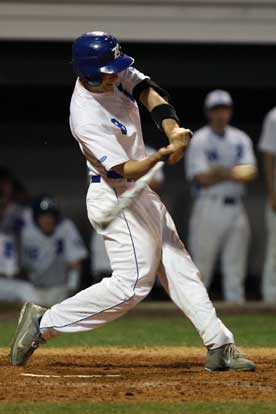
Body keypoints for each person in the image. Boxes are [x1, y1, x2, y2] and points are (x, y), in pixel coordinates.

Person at [10, 32, 255, 372]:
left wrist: (172, 130)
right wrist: (161, 157)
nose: (116, 74)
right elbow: (124, 168)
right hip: (114, 192)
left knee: (178, 264)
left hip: (137, 191)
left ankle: (219, 344)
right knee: (132, 285)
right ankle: (43, 323)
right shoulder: (84, 114)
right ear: (88, 73)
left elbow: (149, 93)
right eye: (109, 71)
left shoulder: (112, 72)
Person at [185, 90, 257, 303]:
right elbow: (201, 178)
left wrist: (218, 171)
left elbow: (250, 173)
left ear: (230, 111)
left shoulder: (240, 138)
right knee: (202, 266)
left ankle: (238, 319)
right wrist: (233, 172)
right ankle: (195, 312)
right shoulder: (200, 139)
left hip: (236, 207)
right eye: (216, 109)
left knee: (236, 267)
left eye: (224, 109)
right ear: (209, 113)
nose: (221, 114)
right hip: (209, 206)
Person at [90, 145, 164, 283]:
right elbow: (100, 183)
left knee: (140, 274)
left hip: (139, 217)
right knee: (105, 273)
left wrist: (129, 180)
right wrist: (135, 178)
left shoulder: (148, 152)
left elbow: (156, 184)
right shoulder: (99, 147)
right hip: (110, 214)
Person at [19, 195, 88, 306]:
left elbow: (76, 262)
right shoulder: (27, 233)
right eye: (44, 216)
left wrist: (72, 288)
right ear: (36, 218)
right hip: (33, 289)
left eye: (51, 216)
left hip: (59, 288)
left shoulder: (65, 228)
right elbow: (20, 266)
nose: (48, 220)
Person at [259, 107, 276, 303]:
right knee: (274, 251)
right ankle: (271, 301)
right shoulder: (274, 116)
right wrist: (273, 192)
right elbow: (269, 157)